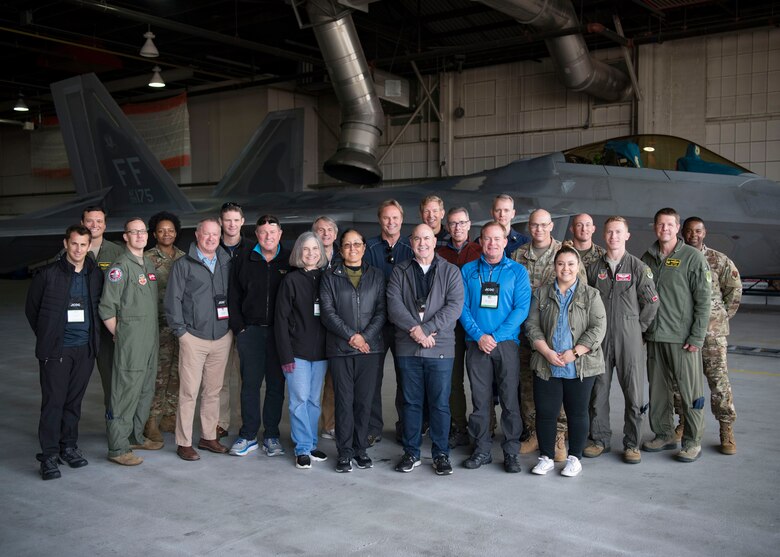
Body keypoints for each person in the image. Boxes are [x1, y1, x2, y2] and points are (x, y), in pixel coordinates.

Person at [25, 225, 103, 480]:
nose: (79, 249)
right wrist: (49, 337)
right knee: (53, 404)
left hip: (84, 349)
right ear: (65, 244)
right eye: (74, 244)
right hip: (56, 351)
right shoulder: (47, 275)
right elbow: (32, 310)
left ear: (89, 245)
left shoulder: (94, 274)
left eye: (83, 244)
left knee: (73, 403)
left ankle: (67, 446)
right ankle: (48, 455)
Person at [388, 224, 464, 475]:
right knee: (410, 402)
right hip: (408, 348)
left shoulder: (450, 271)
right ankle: (411, 453)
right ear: (411, 243)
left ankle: (441, 454)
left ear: (435, 241)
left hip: (440, 347)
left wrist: (427, 329)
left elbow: (454, 306)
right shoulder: (400, 271)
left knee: (440, 403)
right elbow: (394, 305)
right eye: (417, 239)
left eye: (427, 238)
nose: (422, 243)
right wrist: (415, 330)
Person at [525, 246, 607, 477]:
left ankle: (575, 458)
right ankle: (546, 457)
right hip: (547, 364)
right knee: (546, 413)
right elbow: (531, 326)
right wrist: (547, 352)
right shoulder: (541, 294)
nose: (566, 268)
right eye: (561, 263)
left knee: (578, 412)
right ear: (554, 266)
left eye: (571, 263)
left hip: (579, 365)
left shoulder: (591, 295)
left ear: (578, 266)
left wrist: (576, 352)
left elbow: (598, 328)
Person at [584, 217, 659, 464]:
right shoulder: (594, 268)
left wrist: (638, 328)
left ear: (627, 235)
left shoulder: (638, 267)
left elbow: (651, 302)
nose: (613, 236)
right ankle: (599, 439)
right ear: (603, 236)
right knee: (598, 392)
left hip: (630, 339)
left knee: (634, 394)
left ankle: (632, 444)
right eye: (609, 232)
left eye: (618, 232)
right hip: (600, 339)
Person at [459, 222, 531, 473]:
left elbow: (521, 308)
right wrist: (479, 336)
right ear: (480, 241)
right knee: (480, 401)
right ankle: (482, 449)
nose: (492, 244)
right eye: (487, 239)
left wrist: (496, 336)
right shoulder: (468, 271)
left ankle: (511, 451)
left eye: (497, 239)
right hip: (476, 343)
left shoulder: (518, 272)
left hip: (507, 343)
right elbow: (462, 308)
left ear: (505, 241)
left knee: (510, 400)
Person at [641, 208, 711, 463]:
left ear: (677, 227)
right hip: (655, 337)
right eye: (660, 224)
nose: (665, 229)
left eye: (670, 224)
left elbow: (704, 301)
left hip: (682, 339)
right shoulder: (647, 259)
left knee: (690, 391)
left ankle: (692, 441)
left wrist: (697, 336)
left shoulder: (692, 258)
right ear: (655, 227)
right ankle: (664, 433)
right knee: (658, 391)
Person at [165, 218, 233, 461]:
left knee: (213, 391)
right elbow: (172, 300)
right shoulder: (184, 264)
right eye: (207, 234)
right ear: (197, 235)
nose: (211, 238)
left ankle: (207, 437)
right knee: (189, 392)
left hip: (222, 336)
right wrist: (181, 333)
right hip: (193, 337)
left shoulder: (226, 262)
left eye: (216, 234)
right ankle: (183, 442)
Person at [320, 229, 386, 473]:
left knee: (363, 402)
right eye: (347, 245)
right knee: (344, 402)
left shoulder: (376, 276)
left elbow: (382, 311)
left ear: (364, 247)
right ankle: (345, 452)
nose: (352, 249)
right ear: (340, 249)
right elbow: (328, 313)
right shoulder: (329, 276)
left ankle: (360, 449)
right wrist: (351, 336)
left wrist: (364, 337)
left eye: (357, 244)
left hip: (370, 349)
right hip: (340, 349)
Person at [99, 218, 161, 466]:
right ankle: (117, 447)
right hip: (132, 341)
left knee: (145, 389)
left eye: (143, 231)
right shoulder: (120, 266)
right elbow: (106, 308)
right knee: (124, 392)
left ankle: (135, 436)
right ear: (125, 237)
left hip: (150, 338)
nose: (139, 236)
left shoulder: (147, 263)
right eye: (134, 232)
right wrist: (121, 334)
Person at [228, 215, 291, 458]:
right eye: (263, 233)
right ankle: (248, 435)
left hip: (279, 334)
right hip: (250, 332)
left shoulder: (288, 259)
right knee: (250, 385)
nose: (268, 237)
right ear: (256, 234)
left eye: (272, 232)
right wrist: (239, 327)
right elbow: (233, 296)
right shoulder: (244, 259)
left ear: (280, 234)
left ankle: (272, 435)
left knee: (276, 385)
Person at [511, 209, 570, 460]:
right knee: (526, 385)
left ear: (551, 226)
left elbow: (577, 291)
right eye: (534, 225)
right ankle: (534, 432)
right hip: (525, 333)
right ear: (529, 227)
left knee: (557, 385)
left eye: (543, 225)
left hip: (555, 334)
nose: (538, 230)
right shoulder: (517, 255)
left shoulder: (565, 253)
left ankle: (558, 437)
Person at [682, 216, 742, 454]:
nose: (693, 235)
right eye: (689, 231)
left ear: (704, 232)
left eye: (697, 231)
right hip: (684, 332)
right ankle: (684, 423)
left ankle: (726, 429)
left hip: (712, 334)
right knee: (681, 384)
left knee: (718, 381)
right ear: (682, 233)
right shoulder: (677, 258)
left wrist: (721, 316)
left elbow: (734, 290)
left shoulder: (718, 260)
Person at [275, 232, 330, 469]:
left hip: (321, 354)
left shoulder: (327, 278)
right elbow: (281, 320)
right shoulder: (291, 281)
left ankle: (311, 443)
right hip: (296, 352)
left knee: (314, 402)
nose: (310, 254)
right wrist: (286, 355)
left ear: (321, 252)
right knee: (298, 400)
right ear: (299, 252)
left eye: (315, 249)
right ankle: (302, 448)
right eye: (306, 249)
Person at [364, 199, 413, 445]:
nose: (391, 222)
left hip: (404, 325)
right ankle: (373, 428)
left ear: (401, 220)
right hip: (375, 325)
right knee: (373, 379)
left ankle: (406, 428)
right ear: (379, 220)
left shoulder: (411, 247)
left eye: (395, 218)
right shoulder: (369, 248)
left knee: (406, 378)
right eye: (386, 218)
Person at [436, 207, 482, 448]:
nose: (457, 228)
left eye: (461, 223)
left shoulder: (480, 251)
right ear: (447, 227)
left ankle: (481, 428)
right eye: (452, 223)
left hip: (475, 326)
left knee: (479, 379)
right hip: (450, 328)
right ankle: (458, 426)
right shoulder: (439, 253)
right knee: (452, 381)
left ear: (469, 224)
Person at [143, 211, 186, 442]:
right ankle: (151, 420)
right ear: (154, 234)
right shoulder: (147, 258)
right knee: (158, 375)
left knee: (177, 373)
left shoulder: (184, 257)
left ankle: (170, 415)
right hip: (157, 325)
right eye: (161, 230)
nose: (166, 234)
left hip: (179, 325)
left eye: (170, 230)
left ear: (176, 232)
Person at [81, 206, 123, 413]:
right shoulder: (71, 251)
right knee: (72, 380)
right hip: (80, 328)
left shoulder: (117, 252)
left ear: (105, 225)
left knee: (112, 379)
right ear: (82, 223)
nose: (94, 225)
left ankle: (114, 424)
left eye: (99, 221)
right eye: (90, 221)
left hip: (108, 327)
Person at [217, 202, 252, 440]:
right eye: (227, 220)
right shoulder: (210, 246)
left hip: (245, 323)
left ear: (242, 222)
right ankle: (220, 422)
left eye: (235, 220)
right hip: (217, 322)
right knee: (219, 376)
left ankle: (243, 423)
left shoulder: (253, 249)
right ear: (221, 222)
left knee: (245, 377)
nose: (231, 224)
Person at [312, 215, 341, 440]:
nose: (325, 234)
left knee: (333, 379)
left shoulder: (343, 256)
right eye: (320, 230)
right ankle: (309, 424)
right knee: (312, 381)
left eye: (329, 229)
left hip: (337, 326)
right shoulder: (309, 257)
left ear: (335, 233)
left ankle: (329, 423)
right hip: (313, 327)